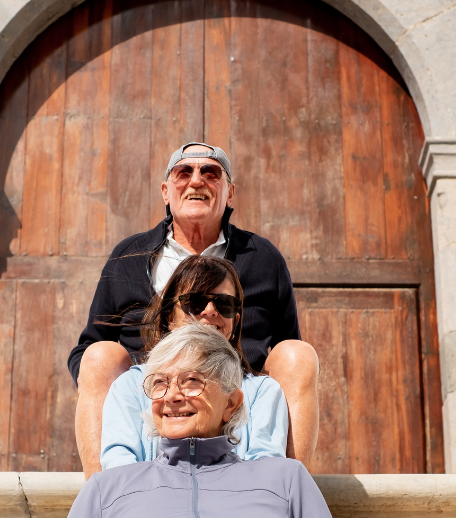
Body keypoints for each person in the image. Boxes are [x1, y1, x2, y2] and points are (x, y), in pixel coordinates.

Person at [30, 324, 365, 518]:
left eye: (192, 381)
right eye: (159, 383)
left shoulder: (285, 479)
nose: (172, 396)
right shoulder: (109, 487)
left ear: (232, 403)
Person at [69, 142, 319, 477]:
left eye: (210, 173)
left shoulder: (263, 258)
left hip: (238, 391)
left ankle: (290, 494)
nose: (196, 181)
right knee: (99, 356)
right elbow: (87, 349)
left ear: (229, 193)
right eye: (184, 172)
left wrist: (243, 393)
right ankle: (104, 498)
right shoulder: (128, 255)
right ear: (165, 191)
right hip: (151, 391)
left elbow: (287, 344)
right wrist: (136, 392)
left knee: (297, 355)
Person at [100, 255, 288, 469]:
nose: (209, 311)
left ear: (234, 322)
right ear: (170, 317)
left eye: (224, 304)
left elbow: (266, 473)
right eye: (194, 302)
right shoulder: (130, 386)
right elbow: (118, 467)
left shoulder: (263, 393)